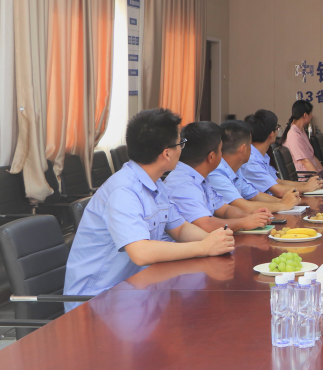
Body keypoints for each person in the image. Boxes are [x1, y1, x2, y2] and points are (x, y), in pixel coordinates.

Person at [63, 109, 235, 305]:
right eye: (181, 144)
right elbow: (141, 253)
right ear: (167, 153)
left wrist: (215, 241)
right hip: (96, 300)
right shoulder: (123, 191)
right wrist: (204, 247)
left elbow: (180, 228)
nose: (182, 149)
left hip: (135, 289)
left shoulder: (156, 184)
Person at [163, 122, 271, 233]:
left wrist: (252, 216)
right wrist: (244, 222)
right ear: (211, 157)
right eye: (220, 149)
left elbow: (225, 210)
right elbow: (205, 225)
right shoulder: (184, 183)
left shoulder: (200, 178)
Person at [210, 120, 303, 213]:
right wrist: (283, 205)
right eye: (250, 145)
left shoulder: (235, 169)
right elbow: (245, 206)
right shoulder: (216, 172)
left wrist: (283, 201)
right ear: (243, 149)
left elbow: (255, 195)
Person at [240, 109, 320, 197]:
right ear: (271, 134)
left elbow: (277, 181)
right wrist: (306, 187)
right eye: (277, 127)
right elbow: (278, 190)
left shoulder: (261, 155)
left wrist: (305, 184)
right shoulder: (252, 161)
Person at [281, 99, 321, 175]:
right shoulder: (293, 135)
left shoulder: (301, 132)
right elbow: (305, 161)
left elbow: (313, 157)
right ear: (305, 115)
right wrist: (320, 178)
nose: (312, 116)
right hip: (304, 177)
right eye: (311, 113)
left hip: (312, 173)